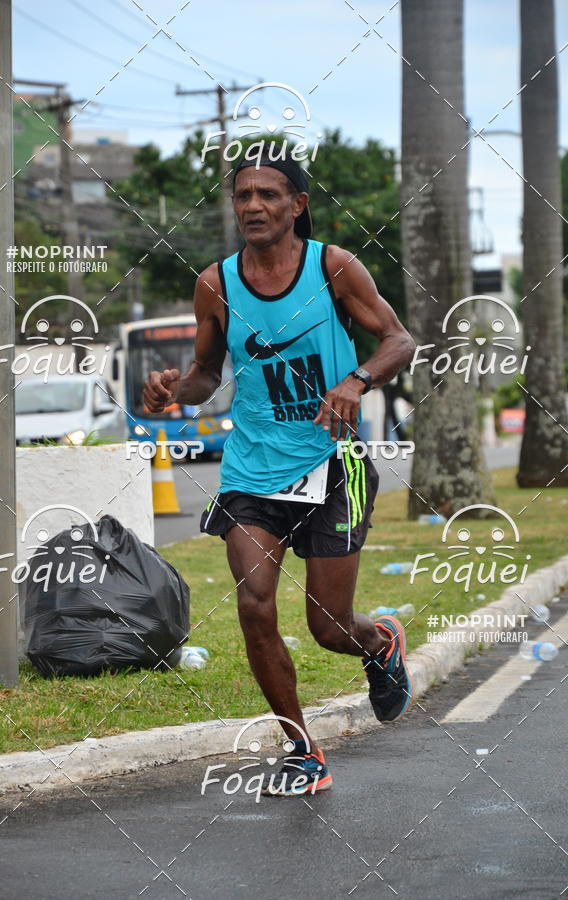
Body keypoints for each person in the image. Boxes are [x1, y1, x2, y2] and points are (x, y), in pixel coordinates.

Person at [143, 151, 416, 796]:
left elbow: (399, 341)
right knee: (254, 603)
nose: (253, 205)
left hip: (335, 462)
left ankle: (379, 643)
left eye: (268, 194)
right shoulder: (216, 283)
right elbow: (206, 373)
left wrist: (356, 380)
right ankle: (301, 751)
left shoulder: (333, 267)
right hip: (253, 468)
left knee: (330, 628)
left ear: (297, 204)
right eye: (243, 195)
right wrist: (175, 390)